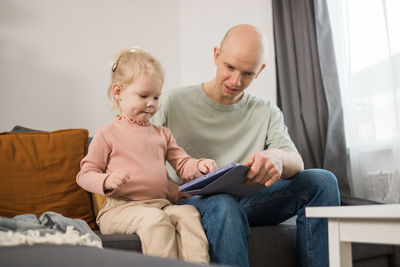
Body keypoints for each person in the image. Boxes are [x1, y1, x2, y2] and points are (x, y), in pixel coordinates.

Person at [151, 24, 340, 267]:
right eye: (229, 67)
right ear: (216, 55)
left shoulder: (266, 111)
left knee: (323, 181)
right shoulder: (171, 101)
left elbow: (297, 161)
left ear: (260, 71)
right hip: (190, 201)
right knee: (223, 204)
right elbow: (140, 157)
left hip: (249, 201)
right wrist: (173, 190)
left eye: (248, 73)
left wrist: (278, 158)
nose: (236, 81)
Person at [76, 48, 217, 264]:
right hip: (120, 208)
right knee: (156, 220)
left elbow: (182, 163)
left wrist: (199, 166)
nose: (151, 103)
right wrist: (105, 181)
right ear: (118, 92)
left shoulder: (162, 134)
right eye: (143, 96)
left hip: (160, 204)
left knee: (189, 214)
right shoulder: (107, 134)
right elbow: (84, 175)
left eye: (156, 97)